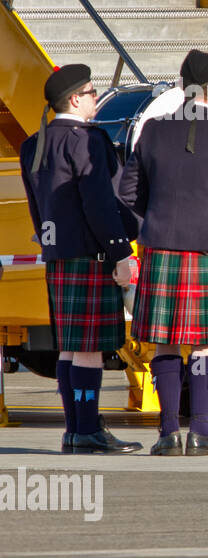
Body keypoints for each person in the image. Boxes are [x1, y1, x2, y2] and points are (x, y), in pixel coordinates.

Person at [119, 49, 208, 454]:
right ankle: (200, 432)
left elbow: (127, 193)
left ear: (182, 86)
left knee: (164, 341)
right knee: (204, 342)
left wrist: (157, 218)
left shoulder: (153, 132)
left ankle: (166, 434)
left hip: (160, 248)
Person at [18, 64, 141, 454]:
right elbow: (100, 202)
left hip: (58, 253)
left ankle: (75, 429)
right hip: (91, 254)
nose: (94, 98)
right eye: (91, 92)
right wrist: (122, 249)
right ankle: (86, 430)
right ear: (74, 98)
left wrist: (51, 242)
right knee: (88, 347)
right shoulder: (88, 141)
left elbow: (37, 207)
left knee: (70, 346)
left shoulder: (34, 143)